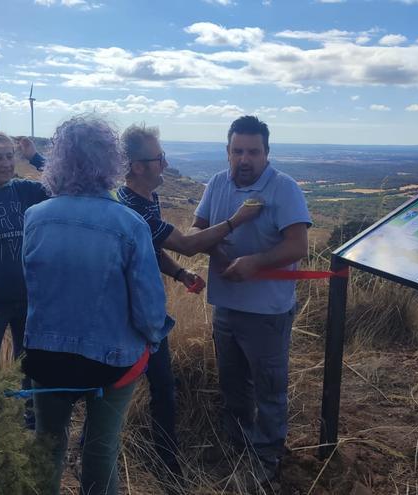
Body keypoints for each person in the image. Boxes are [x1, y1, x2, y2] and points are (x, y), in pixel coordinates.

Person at [22, 115, 172, 495]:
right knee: (101, 450)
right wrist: (153, 339)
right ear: (112, 161)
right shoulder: (129, 224)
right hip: (112, 360)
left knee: (47, 445)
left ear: (59, 159)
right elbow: (150, 309)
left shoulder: (35, 218)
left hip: (46, 356)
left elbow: (33, 287)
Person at [116, 123, 262, 476]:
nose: (165, 164)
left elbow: (152, 250)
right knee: (134, 391)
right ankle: (155, 467)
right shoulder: (132, 206)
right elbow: (187, 244)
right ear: (138, 167)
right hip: (129, 315)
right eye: (159, 158)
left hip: (146, 310)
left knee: (162, 388)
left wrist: (180, 274)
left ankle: (166, 465)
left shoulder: (146, 198)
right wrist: (237, 220)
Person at [190, 115, 311, 484]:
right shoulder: (217, 183)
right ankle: (237, 445)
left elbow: (298, 246)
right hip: (226, 306)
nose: (245, 159)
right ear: (227, 152)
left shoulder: (284, 188)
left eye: (253, 152)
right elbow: (197, 229)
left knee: (269, 389)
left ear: (267, 153)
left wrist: (255, 262)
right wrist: (217, 252)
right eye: (238, 151)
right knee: (233, 384)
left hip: (267, 313)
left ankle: (266, 460)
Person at [0, 131, 47, 357]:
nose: (6, 164)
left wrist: (35, 157)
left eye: (10, 156)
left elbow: (64, 183)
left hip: (27, 297)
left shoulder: (24, 190)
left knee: (28, 365)